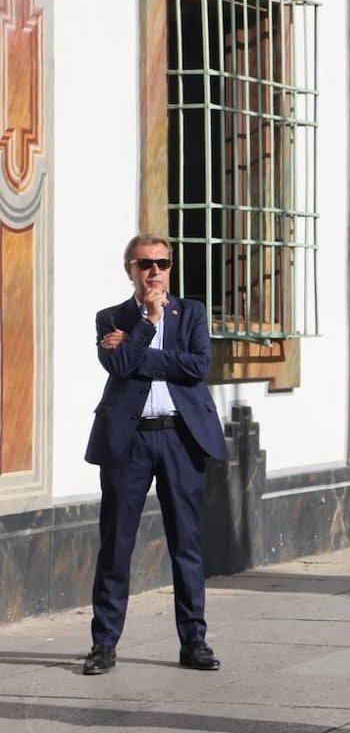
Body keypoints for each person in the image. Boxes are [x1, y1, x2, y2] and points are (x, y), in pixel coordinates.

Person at [82, 233, 227, 675]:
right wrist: (146, 324)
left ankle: (194, 641)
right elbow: (119, 367)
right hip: (128, 442)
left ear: (170, 268)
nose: (154, 272)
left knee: (186, 545)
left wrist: (138, 348)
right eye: (145, 264)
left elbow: (198, 366)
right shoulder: (110, 316)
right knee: (116, 544)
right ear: (130, 268)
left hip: (181, 438)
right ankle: (104, 645)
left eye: (162, 263)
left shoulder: (193, 313)